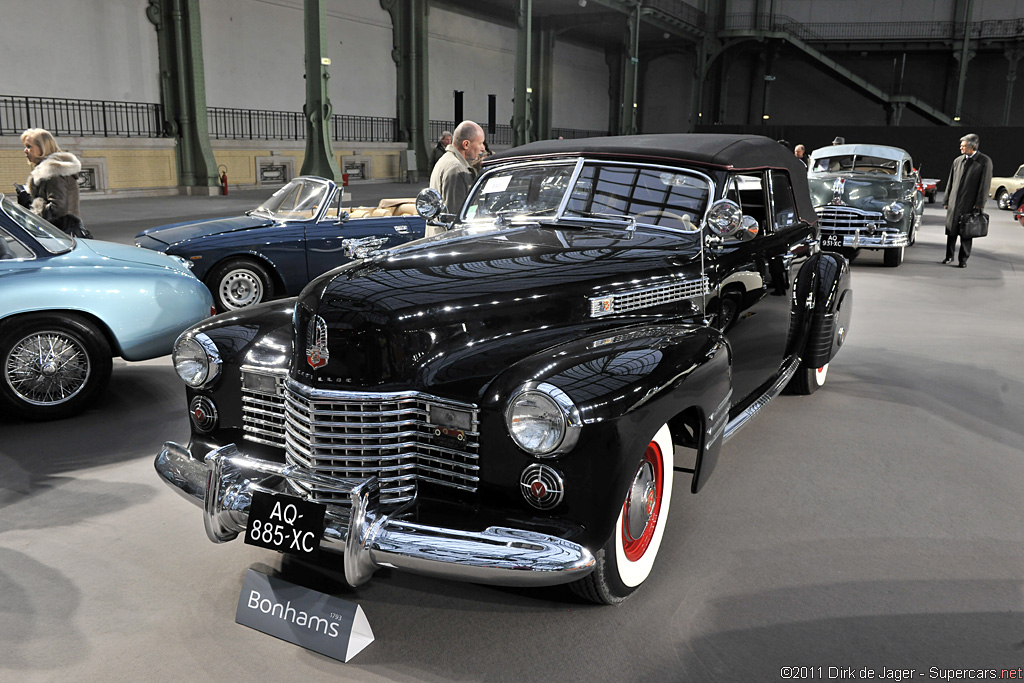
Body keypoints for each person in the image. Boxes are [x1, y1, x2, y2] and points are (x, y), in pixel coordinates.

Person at [18, 128, 87, 237]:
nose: (25, 150)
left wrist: (31, 205)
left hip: (59, 236)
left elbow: (58, 208)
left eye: (29, 146)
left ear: (42, 148)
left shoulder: (53, 172)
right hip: (58, 233)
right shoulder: (48, 171)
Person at [942, 133, 992, 268]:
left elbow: (985, 185)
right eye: (961, 146)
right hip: (954, 202)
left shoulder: (984, 161)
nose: (961, 148)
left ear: (973, 146)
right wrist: (946, 200)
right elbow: (950, 181)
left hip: (970, 203)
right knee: (951, 231)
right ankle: (949, 256)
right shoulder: (957, 161)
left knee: (966, 232)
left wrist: (980, 204)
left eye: (964, 146)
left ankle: (963, 260)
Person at [429, 120, 485, 217]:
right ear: (466, 144)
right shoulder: (456, 169)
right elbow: (455, 216)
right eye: (480, 143)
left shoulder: (448, 160)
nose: (483, 148)